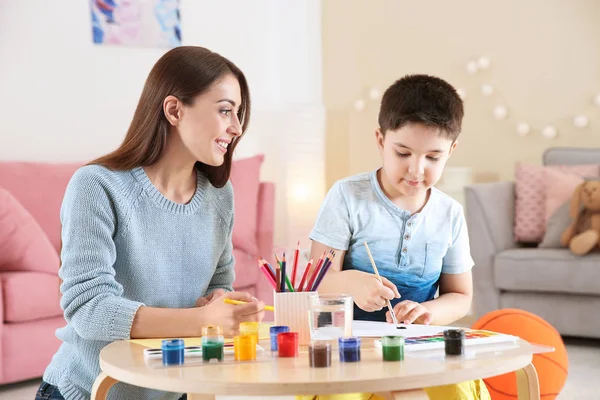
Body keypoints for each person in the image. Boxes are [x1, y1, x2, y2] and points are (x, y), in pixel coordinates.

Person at [37, 46, 265, 400]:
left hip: (172, 391)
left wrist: (220, 302)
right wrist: (203, 321)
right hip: (85, 391)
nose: (236, 128)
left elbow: (218, 284)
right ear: (174, 110)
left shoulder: (220, 196)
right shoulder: (97, 186)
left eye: (238, 114)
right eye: (225, 111)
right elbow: (88, 309)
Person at [307, 74, 490, 399]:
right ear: (380, 140)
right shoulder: (347, 196)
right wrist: (352, 282)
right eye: (403, 153)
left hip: (418, 344)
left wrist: (430, 313)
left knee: (458, 391)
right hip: (351, 343)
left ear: (452, 149)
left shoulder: (450, 214)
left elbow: (461, 296)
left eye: (433, 157)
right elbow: (317, 281)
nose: (416, 170)